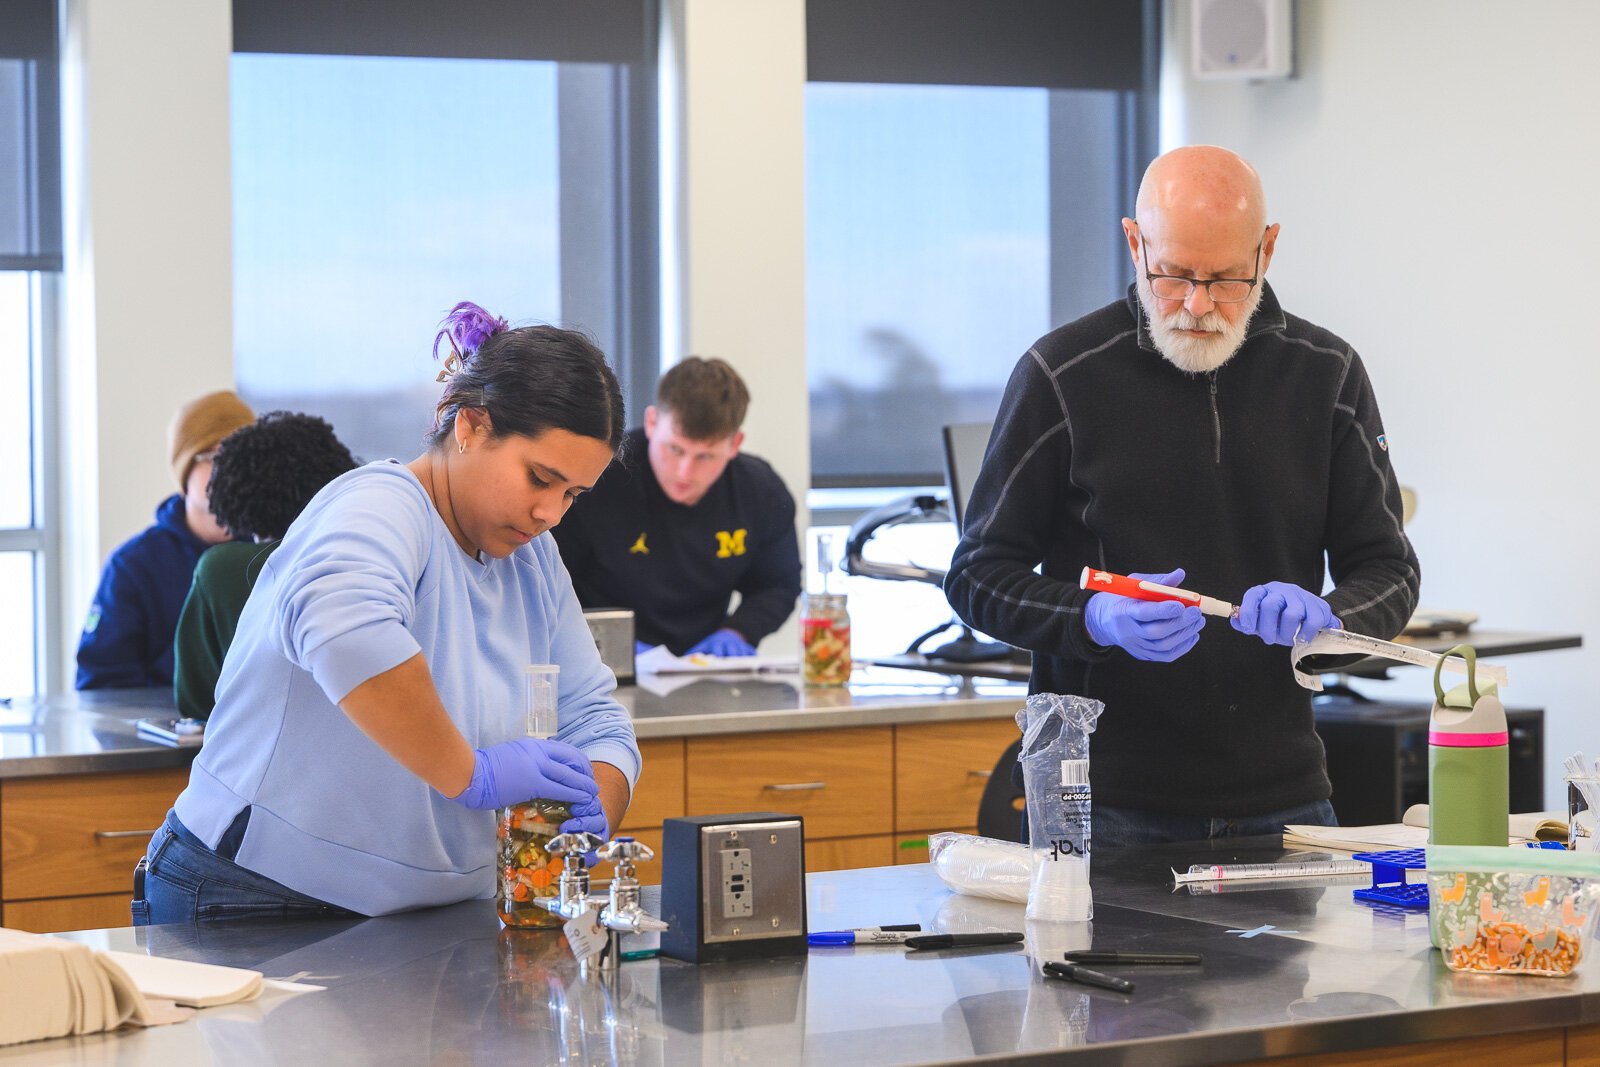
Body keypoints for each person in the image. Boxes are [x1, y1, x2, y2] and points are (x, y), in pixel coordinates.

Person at [945, 145, 1419, 848]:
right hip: (1102, 805)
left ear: (1268, 248)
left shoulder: (1327, 375)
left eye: (1227, 278)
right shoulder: (1062, 376)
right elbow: (977, 576)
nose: (1198, 305)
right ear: (1135, 242)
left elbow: (1391, 571)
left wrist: (1329, 621)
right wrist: (1095, 616)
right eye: (1172, 276)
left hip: (1282, 800)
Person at [134, 302, 640, 922]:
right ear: (470, 427)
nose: (550, 513)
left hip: (432, 908)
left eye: (572, 494)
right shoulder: (382, 505)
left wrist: (593, 809)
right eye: (539, 478)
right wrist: (472, 776)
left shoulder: (533, 563)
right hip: (258, 893)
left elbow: (594, 716)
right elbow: (346, 632)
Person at [552, 357, 801, 657]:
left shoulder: (761, 491)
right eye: (675, 449)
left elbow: (777, 584)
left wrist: (738, 631)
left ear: (735, 444)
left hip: (706, 667)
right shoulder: (597, 478)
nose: (685, 472)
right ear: (652, 423)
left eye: (706, 457)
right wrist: (603, 643)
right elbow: (554, 583)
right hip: (598, 661)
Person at [172, 411, 359, 721]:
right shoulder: (355, 556)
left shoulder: (221, 569)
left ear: (231, 489)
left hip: (254, 756)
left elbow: (195, 699)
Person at [76, 390, 256, 689]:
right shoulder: (134, 566)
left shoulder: (275, 551)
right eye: (213, 456)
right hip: (164, 731)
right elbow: (102, 685)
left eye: (241, 456)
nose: (229, 470)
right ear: (184, 469)